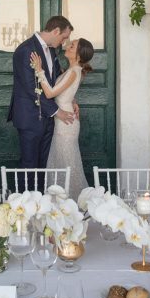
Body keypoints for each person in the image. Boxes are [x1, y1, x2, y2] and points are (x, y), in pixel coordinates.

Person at [7, 15, 76, 192]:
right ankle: (25, 207)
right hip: (30, 118)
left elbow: (56, 80)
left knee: (44, 164)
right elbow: (31, 88)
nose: (64, 42)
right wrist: (57, 112)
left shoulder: (51, 50)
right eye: (64, 37)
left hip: (47, 119)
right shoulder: (25, 50)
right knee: (29, 164)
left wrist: (71, 97)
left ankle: (40, 205)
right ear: (55, 31)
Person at [29, 38, 94, 198]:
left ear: (78, 55)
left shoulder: (73, 71)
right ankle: (61, 202)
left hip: (66, 123)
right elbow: (65, 93)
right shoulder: (72, 70)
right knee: (61, 163)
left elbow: (50, 93)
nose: (68, 45)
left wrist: (39, 70)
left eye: (73, 46)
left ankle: (75, 202)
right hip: (63, 119)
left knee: (67, 165)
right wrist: (72, 100)